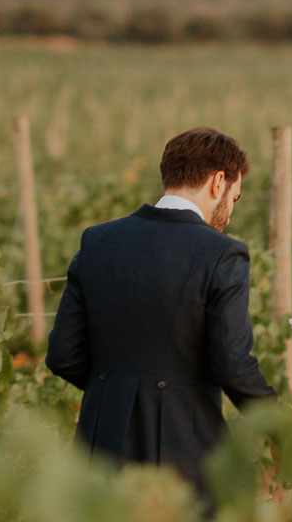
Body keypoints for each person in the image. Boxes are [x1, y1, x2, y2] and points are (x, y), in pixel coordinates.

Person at [46, 127, 274, 495]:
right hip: (184, 452)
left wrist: (115, 389)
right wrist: (280, 427)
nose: (230, 213)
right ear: (218, 182)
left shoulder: (98, 241)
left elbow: (62, 355)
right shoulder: (221, 254)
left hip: (99, 448)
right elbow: (233, 364)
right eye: (235, 197)